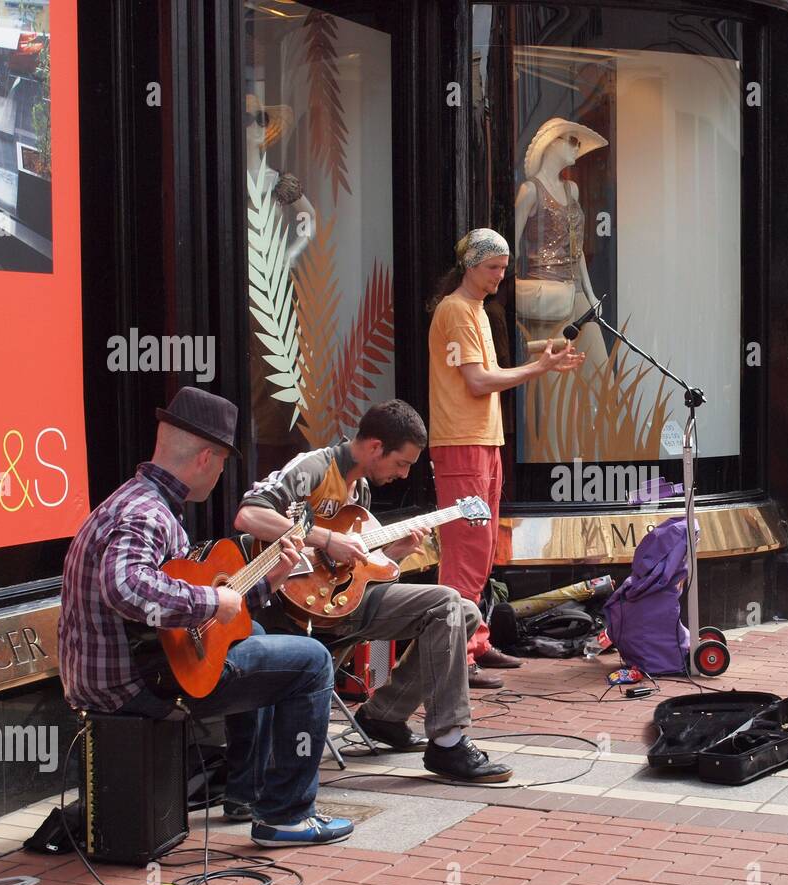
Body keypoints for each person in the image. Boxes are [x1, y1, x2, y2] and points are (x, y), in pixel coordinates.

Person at [58, 387, 354, 847]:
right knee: (312, 661)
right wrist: (213, 602)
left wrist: (270, 578)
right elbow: (127, 588)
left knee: (251, 635)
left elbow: (207, 616)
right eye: (222, 463)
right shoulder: (146, 514)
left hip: (137, 669)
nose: (221, 474)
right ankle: (287, 816)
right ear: (204, 458)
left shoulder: (137, 501)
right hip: (131, 686)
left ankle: (245, 792)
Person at [234, 400, 515, 784]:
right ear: (375, 447)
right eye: (401, 463)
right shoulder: (314, 467)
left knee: (464, 610)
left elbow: (352, 568)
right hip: (294, 606)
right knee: (446, 601)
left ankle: (385, 715)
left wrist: (391, 554)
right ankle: (448, 744)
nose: (403, 475)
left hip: (341, 603)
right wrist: (326, 537)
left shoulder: (361, 490)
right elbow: (248, 516)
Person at [427, 227, 584, 688]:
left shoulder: (472, 309)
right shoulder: (456, 310)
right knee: (466, 549)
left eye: (502, 267)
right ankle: (459, 654)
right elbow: (478, 381)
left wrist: (542, 356)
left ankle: (474, 641)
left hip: (480, 439)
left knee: (480, 546)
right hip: (462, 441)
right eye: (494, 267)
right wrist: (540, 367)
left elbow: (487, 373)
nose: (500, 276)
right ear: (471, 265)